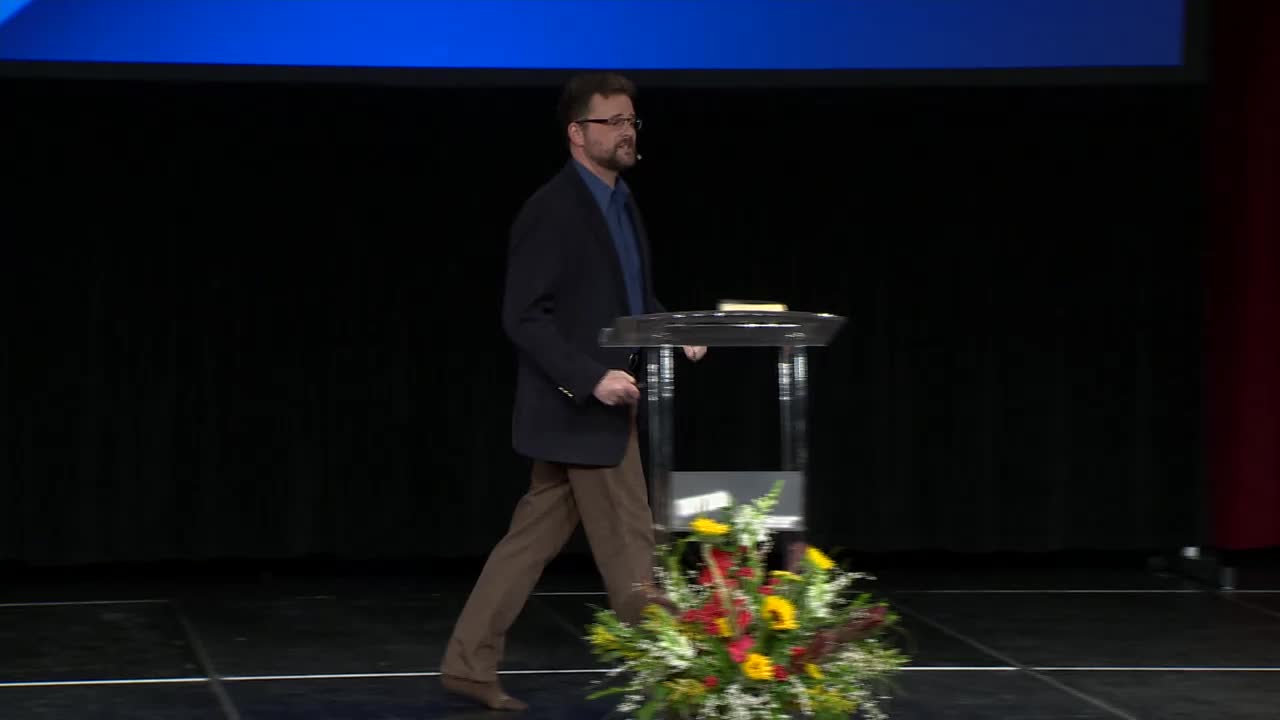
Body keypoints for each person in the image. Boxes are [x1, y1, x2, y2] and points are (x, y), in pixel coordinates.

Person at [439, 72, 707, 711]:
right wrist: (591, 377)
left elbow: (629, 300)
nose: (626, 132)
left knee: (528, 543)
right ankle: (683, 677)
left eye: (631, 121)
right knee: (633, 548)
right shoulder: (552, 208)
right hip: (584, 410)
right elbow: (524, 315)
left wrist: (673, 327)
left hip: (588, 415)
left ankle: (467, 663)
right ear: (576, 133)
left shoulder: (622, 201)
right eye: (612, 122)